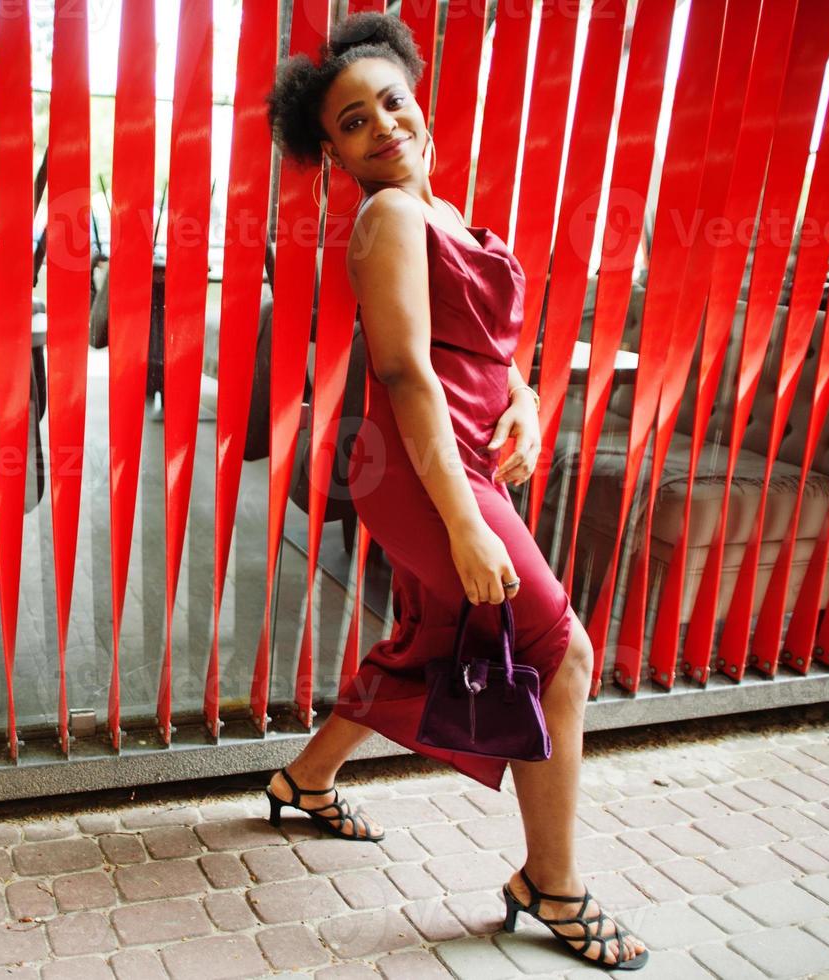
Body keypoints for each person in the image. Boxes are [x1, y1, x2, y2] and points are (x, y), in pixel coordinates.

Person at [259, 11, 648, 971]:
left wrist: (523, 401)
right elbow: (406, 374)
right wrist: (468, 523)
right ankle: (550, 887)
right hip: (427, 472)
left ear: (418, 107)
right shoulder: (386, 215)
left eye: (391, 101)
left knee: (434, 638)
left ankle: (302, 782)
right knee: (560, 654)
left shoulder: (440, 214)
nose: (381, 124)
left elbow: (482, 351)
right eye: (352, 121)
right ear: (331, 150)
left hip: (462, 457)